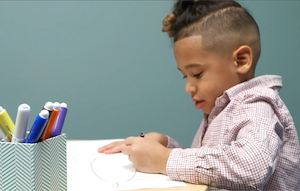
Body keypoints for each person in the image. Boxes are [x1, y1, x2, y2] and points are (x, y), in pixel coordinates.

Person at [98, 0, 300, 190]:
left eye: (197, 74)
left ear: (241, 60)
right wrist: (165, 145)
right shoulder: (221, 110)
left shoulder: (257, 107)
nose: (189, 87)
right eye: (185, 76)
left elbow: (252, 167)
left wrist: (164, 159)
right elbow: (210, 165)